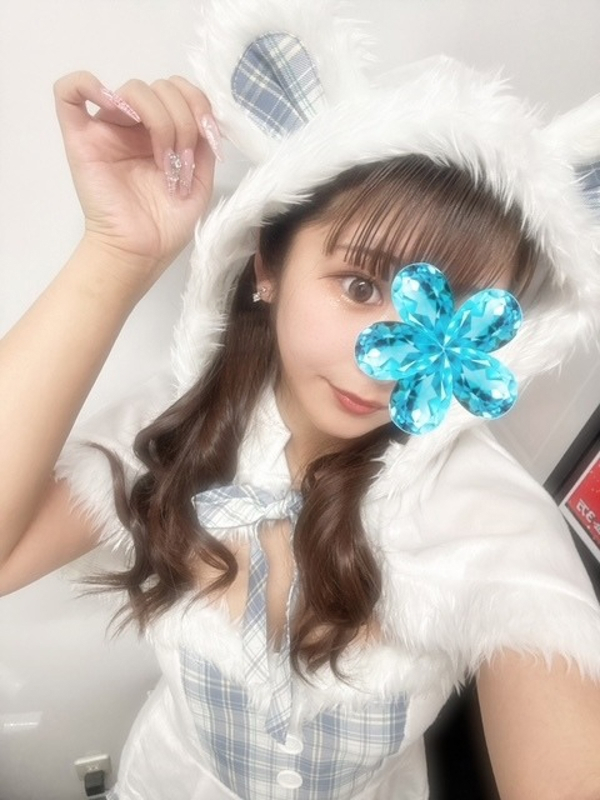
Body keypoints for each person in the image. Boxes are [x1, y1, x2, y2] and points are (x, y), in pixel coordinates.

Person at [2, 1, 600, 798]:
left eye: (451, 318)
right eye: (360, 286)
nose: (388, 366)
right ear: (268, 264)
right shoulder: (175, 427)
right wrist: (116, 252)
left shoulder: (490, 526)